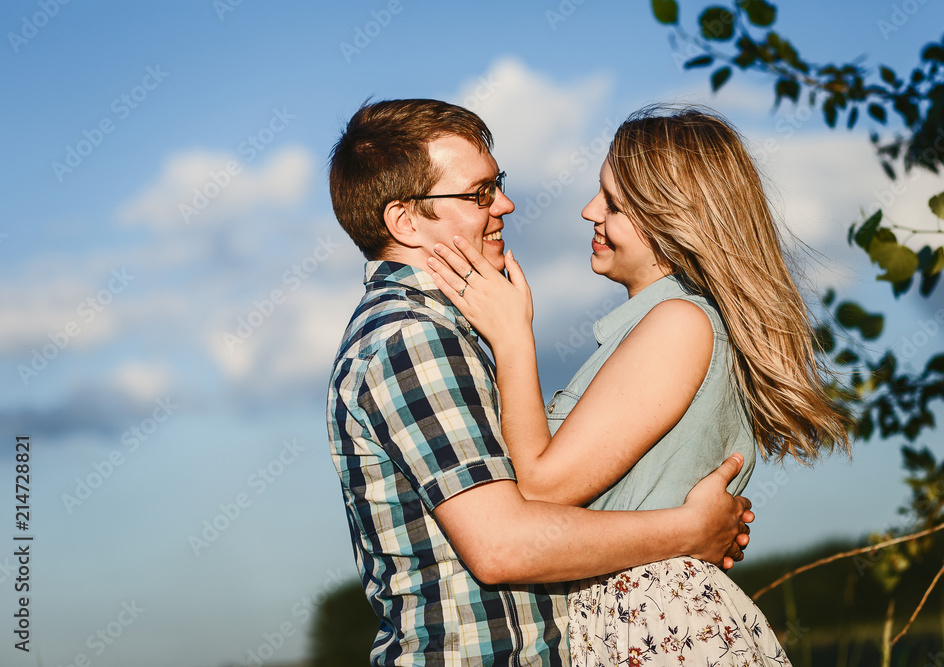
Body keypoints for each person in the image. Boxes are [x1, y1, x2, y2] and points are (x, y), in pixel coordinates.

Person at [326, 98, 756, 665]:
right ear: (405, 221)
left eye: (497, 182)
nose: (504, 202)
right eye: (479, 193)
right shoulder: (412, 339)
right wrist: (687, 529)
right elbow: (503, 543)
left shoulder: (445, 333)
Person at [427, 105, 852, 665]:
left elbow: (538, 489)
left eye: (614, 203)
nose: (588, 212)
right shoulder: (663, 327)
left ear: (673, 218)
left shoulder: (678, 324)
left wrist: (512, 339)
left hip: (656, 624)